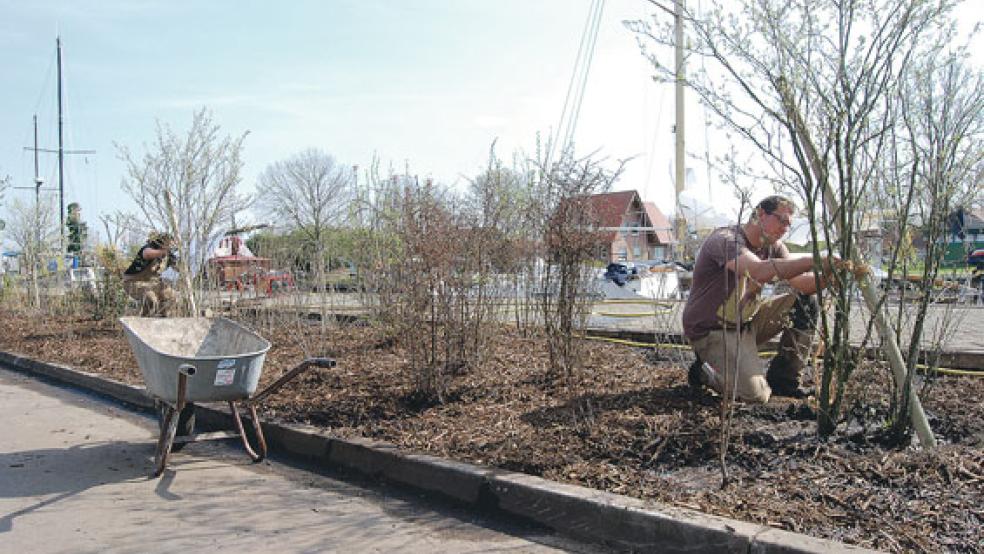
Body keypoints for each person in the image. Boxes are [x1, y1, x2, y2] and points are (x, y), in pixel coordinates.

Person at [681, 195, 860, 403]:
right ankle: (703, 372)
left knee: (804, 303)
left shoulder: (774, 247)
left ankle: (785, 381)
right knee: (756, 395)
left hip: (746, 323)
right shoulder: (726, 240)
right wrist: (815, 260)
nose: (785, 228)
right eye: (781, 220)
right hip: (712, 330)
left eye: (789, 224)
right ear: (760, 214)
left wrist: (832, 274)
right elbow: (758, 270)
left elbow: (805, 285)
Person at [123, 231, 179, 317]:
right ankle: (141, 322)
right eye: (169, 245)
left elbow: (178, 268)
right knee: (150, 299)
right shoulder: (148, 248)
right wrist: (162, 252)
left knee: (173, 297)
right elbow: (147, 254)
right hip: (134, 282)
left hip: (154, 283)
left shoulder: (169, 256)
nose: (170, 248)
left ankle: (164, 318)